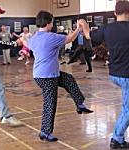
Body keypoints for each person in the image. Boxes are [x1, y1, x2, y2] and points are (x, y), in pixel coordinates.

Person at [81, 1, 129, 148]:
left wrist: (84, 25)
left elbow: (89, 36)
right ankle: (117, 139)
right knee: (128, 108)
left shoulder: (107, 28)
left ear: (115, 13)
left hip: (114, 74)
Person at [27, 10, 93, 142]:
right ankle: (45, 132)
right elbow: (70, 39)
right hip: (47, 76)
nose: (53, 24)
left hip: (43, 75)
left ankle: (79, 104)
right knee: (50, 103)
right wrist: (80, 28)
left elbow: (29, 45)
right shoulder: (50, 37)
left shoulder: (34, 38)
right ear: (48, 23)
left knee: (69, 79)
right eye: (52, 21)